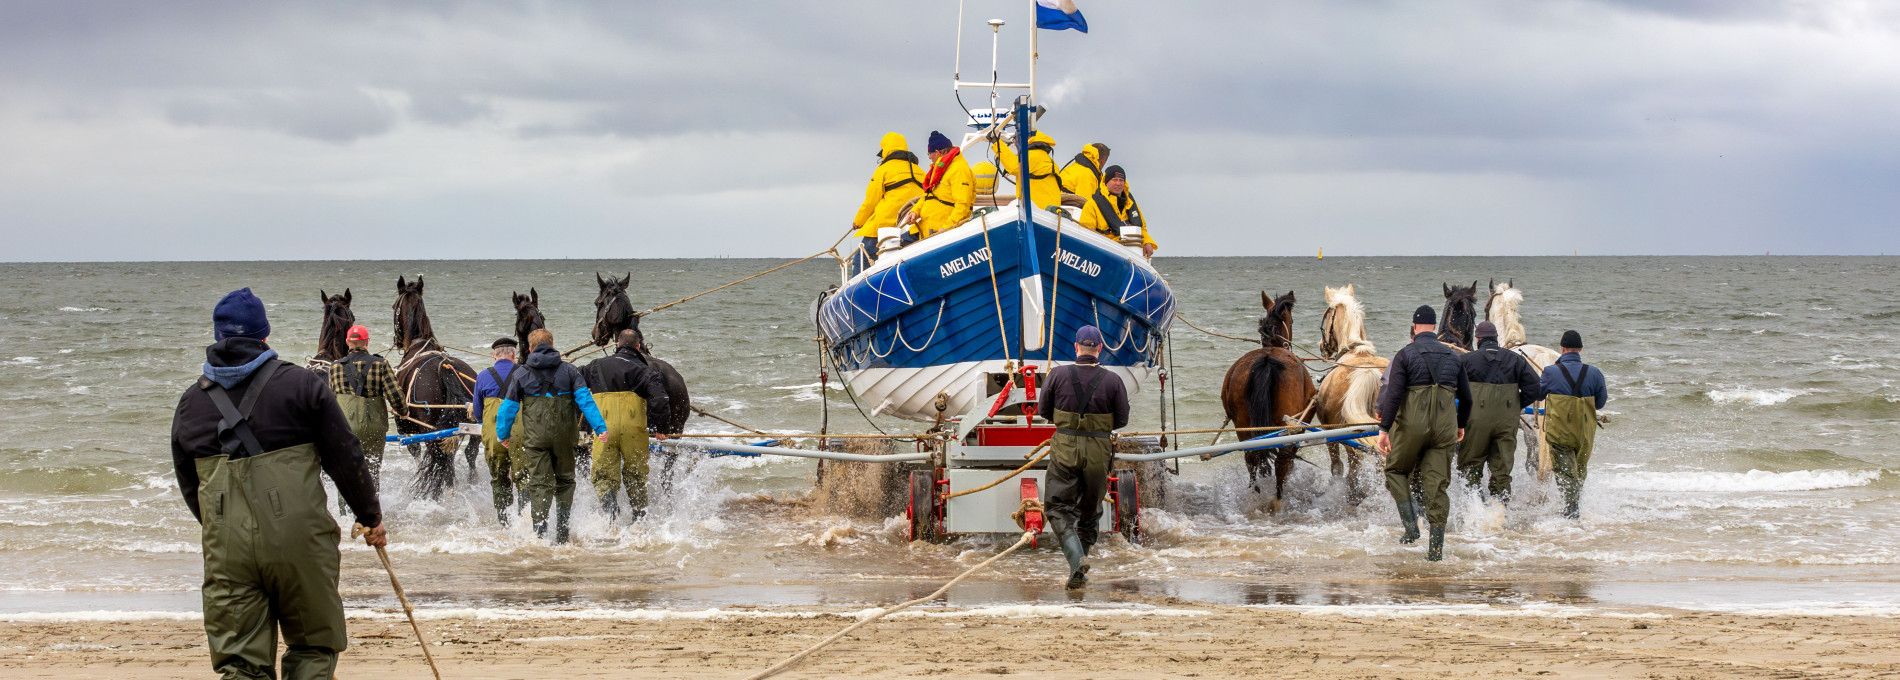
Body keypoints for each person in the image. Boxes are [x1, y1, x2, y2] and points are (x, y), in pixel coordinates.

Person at [170, 288, 384, 679]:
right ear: (264, 335)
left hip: (227, 545)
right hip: (298, 541)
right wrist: (370, 515)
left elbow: (190, 484)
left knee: (240, 664)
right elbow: (345, 456)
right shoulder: (301, 385)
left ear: (218, 338)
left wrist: (225, 528)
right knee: (313, 646)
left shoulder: (190, 403)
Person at [1036, 325, 1130, 589]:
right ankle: (1079, 567)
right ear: (1099, 349)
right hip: (1099, 451)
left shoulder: (1057, 375)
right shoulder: (1113, 380)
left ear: (1076, 347)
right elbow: (1121, 419)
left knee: (1056, 507)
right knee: (1090, 513)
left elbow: (1044, 410)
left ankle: (1077, 561)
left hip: (1065, 447)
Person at [1374, 305, 1472, 561]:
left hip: (1412, 427)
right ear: (1435, 327)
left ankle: (1411, 527)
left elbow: (1393, 395)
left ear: (1415, 327)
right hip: (1444, 429)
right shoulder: (1454, 358)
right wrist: (1460, 425)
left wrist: (1384, 429)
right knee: (1437, 487)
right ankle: (1435, 552)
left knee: (1395, 471)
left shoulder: (1405, 355)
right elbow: (1468, 399)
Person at [495, 328, 608, 543]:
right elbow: (586, 401)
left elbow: (508, 408)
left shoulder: (520, 373)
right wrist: (600, 428)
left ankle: (540, 535)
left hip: (535, 440)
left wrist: (503, 433)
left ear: (530, 348)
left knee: (539, 483)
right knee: (565, 481)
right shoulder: (570, 371)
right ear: (552, 344)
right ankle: (563, 535)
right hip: (565, 438)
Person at [582, 329, 675, 521]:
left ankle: (611, 517)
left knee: (603, 475)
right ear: (638, 346)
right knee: (636, 475)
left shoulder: (595, 366)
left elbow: (574, 384)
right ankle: (638, 520)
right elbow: (660, 399)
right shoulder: (646, 370)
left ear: (616, 345)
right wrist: (662, 429)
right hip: (634, 430)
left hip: (603, 428)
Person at [1456, 321, 1544, 501]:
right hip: (1507, 421)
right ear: (1496, 338)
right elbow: (1536, 388)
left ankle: (1475, 509)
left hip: (1476, 421)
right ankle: (1500, 512)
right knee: (1502, 469)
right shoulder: (1516, 360)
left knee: (1470, 467)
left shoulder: (1466, 360)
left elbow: (1451, 388)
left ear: (1478, 339)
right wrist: (1515, 406)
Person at [327, 325, 404, 505]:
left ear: (347, 342)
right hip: (373, 427)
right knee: (371, 469)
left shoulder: (335, 367)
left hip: (346, 428)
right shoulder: (380, 364)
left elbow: (331, 401)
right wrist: (403, 412)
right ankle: (370, 512)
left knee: (346, 470)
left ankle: (346, 514)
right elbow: (396, 397)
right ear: (367, 342)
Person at [1540, 330, 1608, 519]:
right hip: (1585, 434)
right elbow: (1600, 403)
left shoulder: (1550, 371)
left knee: (1565, 473)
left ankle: (1571, 514)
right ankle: (1574, 509)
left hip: (1560, 432)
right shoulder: (1594, 372)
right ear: (1580, 350)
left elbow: (1537, 394)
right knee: (1579, 471)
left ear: (1562, 349)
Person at [848, 131, 924, 275]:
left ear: (887, 150)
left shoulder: (883, 170)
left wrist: (858, 222)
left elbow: (870, 201)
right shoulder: (920, 171)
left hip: (884, 226)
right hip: (912, 226)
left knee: (862, 260)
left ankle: (855, 293)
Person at [469, 337, 519, 524]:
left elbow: (478, 411)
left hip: (493, 435)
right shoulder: (523, 372)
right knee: (523, 477)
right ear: (514, 355)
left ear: (494, 355)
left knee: (499, 478)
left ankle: (504, 522)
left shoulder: (483, 376)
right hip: (520, 435)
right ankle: (524, 520)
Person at [1079, 165, 1157, 257]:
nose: (1118, 183)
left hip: (1132, 253)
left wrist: (1147, 242)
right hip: (1105, 253)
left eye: (1121, 180)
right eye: (1114, 180)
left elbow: (1142, 227)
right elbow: (1086, 234)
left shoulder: (1130, 203)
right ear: (1106, 182)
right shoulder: (1092, 205)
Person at [912, 130, 974, 240]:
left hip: (940, 233)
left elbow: (963, 205)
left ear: (937, 152)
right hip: (925, 230)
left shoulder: (959, 169)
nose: (929, 157)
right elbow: (928, 195)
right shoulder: (941, 168)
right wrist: (915, 211)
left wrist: (946, 228)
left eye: (929, 154)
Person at [991, 130, 1063, 209]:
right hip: (1046, 208)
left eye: (1016, 140)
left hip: (1041, 209)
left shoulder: (1034, 154)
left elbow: (1013, 167)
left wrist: (996, 143)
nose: (1015, 143)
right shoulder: (1041, 155)